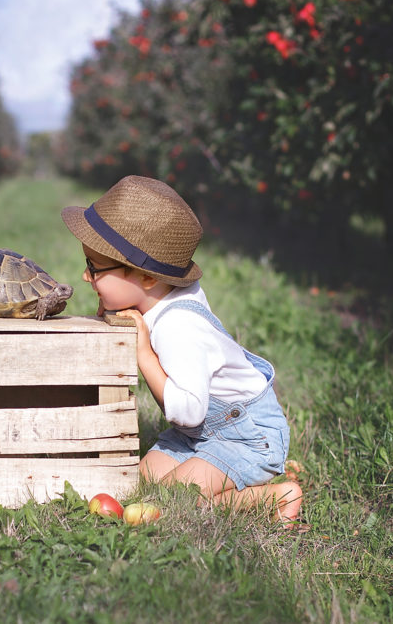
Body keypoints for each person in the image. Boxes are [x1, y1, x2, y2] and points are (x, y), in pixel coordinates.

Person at [62, 175, 303, 525]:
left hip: (246, 439)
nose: (86, 277)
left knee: (178, 498)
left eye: (95, 268)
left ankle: (278, 496)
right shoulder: (162, 296)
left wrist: (144, 353)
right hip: (202, 435)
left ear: (146, 278)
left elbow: (188, 412)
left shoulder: (180, 328)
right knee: (139, 483)